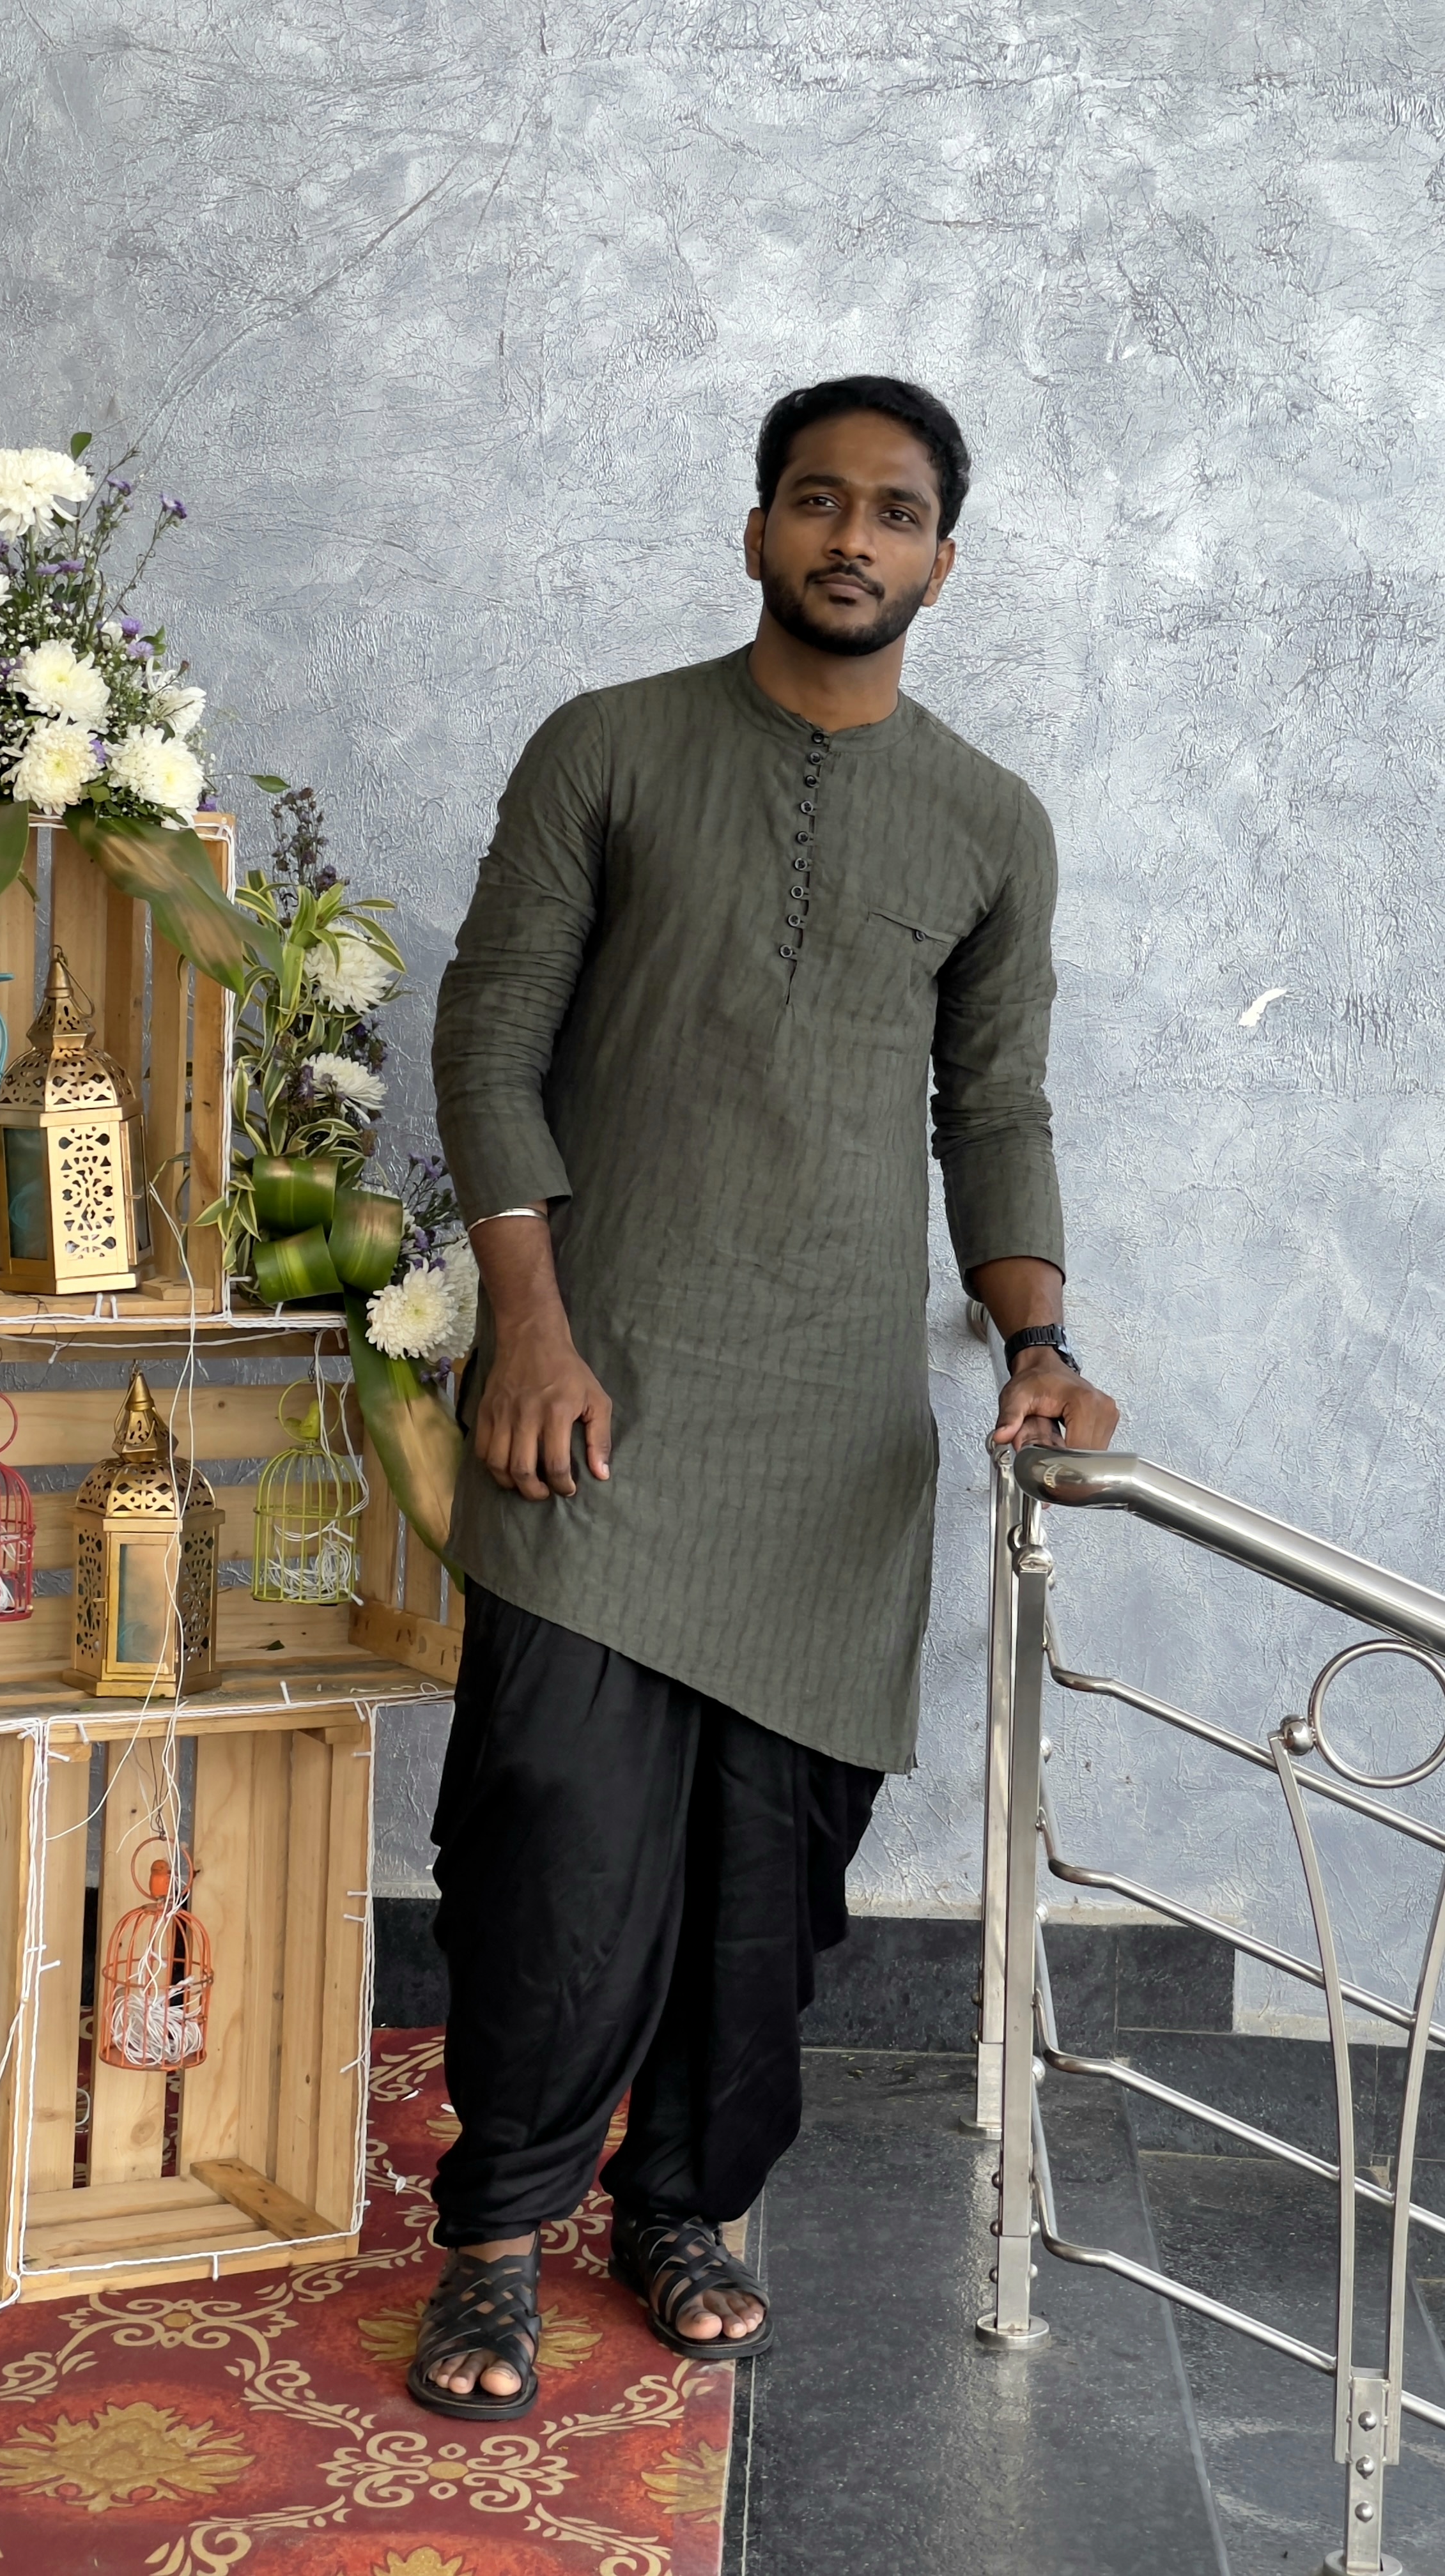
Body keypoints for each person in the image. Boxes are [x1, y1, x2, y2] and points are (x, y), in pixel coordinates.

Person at [417, 374, 1119, 2418]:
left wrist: (1039, 1343)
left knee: (761, 1884)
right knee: (552, 1838)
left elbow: (994, 1108)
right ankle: (493, 2238)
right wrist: (528, 1326)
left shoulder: (988, 821)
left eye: (893, 513)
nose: (850, 538)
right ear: (755, 531)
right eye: (816, 500)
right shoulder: (609, 746)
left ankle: (681, 2208)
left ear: (940, 564)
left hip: (829, 1447)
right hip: (593, 1395)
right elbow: (488, 1037)